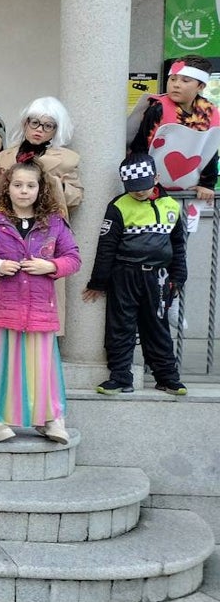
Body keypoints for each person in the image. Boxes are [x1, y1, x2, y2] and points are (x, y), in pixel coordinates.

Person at [0, 162, 81, 442]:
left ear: (40, 189)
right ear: (7, 188)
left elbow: (73, 258)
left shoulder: (54, 220)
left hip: (40, 310)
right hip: (3, 309)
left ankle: (52, 420)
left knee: (43, 369)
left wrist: (51, 266)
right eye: (17, 185)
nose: (24, 191)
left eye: (31, 186)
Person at [83, 154, 188, 396]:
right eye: (133, 188)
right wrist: (98, 281)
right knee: (120, 326)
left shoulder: (171, 205)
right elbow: (106, 245)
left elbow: (178, 245)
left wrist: (178, 278)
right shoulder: (119, 205)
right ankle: (120, 377)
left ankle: (167, 377)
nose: (139, 192)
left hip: (159, 277)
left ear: (156, 178)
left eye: (143, 186)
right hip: (125, 274)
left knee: (157, 327)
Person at [128, 55, 218, 202]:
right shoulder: (158, 109)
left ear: (200, 86)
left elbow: (210, 150)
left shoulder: (209, 112)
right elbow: (140, 147)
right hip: (150, 189)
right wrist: (142, 184)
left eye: (185, 80)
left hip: (190, 191)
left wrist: (207, 184)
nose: (176, 85)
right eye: (173, 79)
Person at [0, 97, 83, 216]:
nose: (40, 130)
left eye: (48, 126)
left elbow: (76, 199)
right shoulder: (3, 157)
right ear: (25, 124)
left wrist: (59, 186)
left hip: (46, 225)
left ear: (56, 130)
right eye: (35, 123)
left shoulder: (67, 160)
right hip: (9, 223)